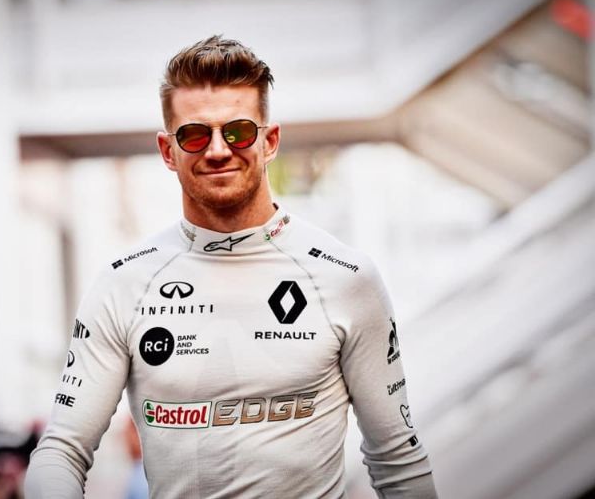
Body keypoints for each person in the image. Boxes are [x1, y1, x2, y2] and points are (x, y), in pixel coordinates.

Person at [25, 35, 438, 498]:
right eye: (195, 135)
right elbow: (61, 450)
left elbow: (398, 460)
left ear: (270, 141)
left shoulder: (346, 277)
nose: (219, 149)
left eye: (238, 131)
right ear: (168, 150)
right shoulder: (123, 283)